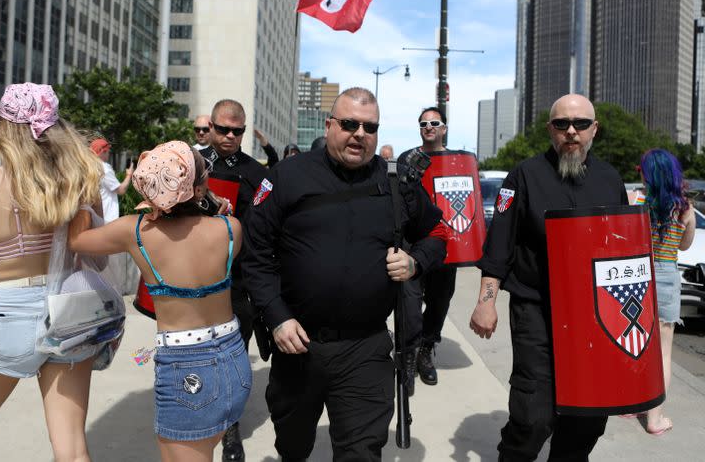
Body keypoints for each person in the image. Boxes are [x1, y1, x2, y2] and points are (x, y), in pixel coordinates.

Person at [242, 88, 447, 461]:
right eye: (350, 124)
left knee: (361, 452)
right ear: (329, 125)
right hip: (298, 343)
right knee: (293, 446)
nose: (359, 134)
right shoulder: (288, 175)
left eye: (370, 127)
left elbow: (438, 234)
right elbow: (256, 254)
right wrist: (276, 317)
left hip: (366, 349)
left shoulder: (397, 186)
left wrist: (415, 262)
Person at [0, 83, 103, 461]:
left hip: (9, 312)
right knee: (71, 445)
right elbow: (99, 258)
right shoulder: (84, 177)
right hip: (71, 309)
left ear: (4, 127)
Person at [68, 141, 250, 462]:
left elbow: (77, 241)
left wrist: (85, 199)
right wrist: (208, 200)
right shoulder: (230, 229)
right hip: (234, 358)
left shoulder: (135, 231)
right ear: (197, 187)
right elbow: (209, 214)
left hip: (186, 365)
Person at [470, 94, 628, 461]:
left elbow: (623, 247)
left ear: (594, 129)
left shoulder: (610, 178)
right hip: (536, 309)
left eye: (580, 124)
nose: (571, 131)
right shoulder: (523, 175)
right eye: (561, 124)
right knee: (534, 416)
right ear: (550, 130)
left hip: (594, 317)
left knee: (588, 415)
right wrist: (485, 302)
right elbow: (500, 246)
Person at [200, 99, 268, 461]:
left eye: (237, 130)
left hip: (238, 279)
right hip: (190, 278)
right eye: (223, 128)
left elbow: (265, 231)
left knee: (233, 354)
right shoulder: (188, 164)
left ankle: (230, 426)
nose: (229, 135)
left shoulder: (256, 173)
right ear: (210, 125)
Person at [636, 149, 695, 435]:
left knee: (637, 343)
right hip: (667, 275)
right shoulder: (684, 207)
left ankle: (632, 404)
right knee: (663, 352)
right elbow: (684, 247)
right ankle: (654, 418)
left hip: (638, 274)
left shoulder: (638, 202)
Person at [399, 106, 456, 392]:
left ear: (444, 128)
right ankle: (408, 356)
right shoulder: (407, 158)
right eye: (423, 123)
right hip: (414, 243)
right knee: (409, 305)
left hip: (447, 242)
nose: (429, 127)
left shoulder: (458, 161)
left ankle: (426, 350)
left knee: (440, 301)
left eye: (434, 122)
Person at [90, 138, 134, 223]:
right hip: (107, 218)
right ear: (103, 151)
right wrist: (129, 175)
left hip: (95, 216)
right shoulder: (104, 168)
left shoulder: (90, 167)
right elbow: (121, 190)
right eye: (108, 152)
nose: (108, 155)